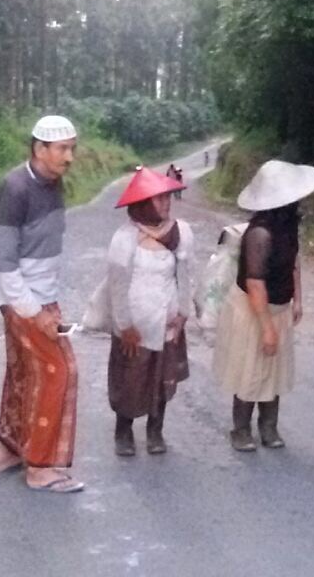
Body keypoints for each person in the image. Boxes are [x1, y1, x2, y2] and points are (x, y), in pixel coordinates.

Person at [0, 115, 85, 494]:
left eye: (72, 148)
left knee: (24, 371)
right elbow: (4, 263)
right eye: (62, 149)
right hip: (23, 298)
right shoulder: (14, 189)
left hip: (41, 295)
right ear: (39, 149)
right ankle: (41, 467)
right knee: (59, 371)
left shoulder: (54, 183)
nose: (69, 157)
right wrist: (34, 312)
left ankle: (8, 451)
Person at [212, 160, 314, 451]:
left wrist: (297, 299)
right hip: (254, 309)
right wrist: (267, 328)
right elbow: (255, 283)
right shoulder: (259, 234)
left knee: (274, 370)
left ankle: (269, 426)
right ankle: (240, 430)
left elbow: (293, 262)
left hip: (278, 306)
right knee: (250, 370)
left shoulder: (288, 225)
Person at [105, 167, 194, 456]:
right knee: (130, 379)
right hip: (135, 327)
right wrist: (125, 326)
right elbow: (117, 287)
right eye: (159, 199)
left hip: (167, 323)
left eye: (167, 198)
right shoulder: (125, 238)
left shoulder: (180, 232)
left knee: (162, 378)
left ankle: (156, 431)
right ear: (143, 203)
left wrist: (182, 313)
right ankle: (124, 431)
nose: (166, 203)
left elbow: (185, 275)